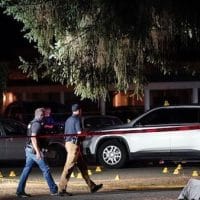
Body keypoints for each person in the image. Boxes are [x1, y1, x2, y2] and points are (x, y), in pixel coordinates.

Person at [58, 103, 103, 196]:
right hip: (73, 146)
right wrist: (87, 133)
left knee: (83, 167)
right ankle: (61, 189)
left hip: (69, 144)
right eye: (81, 110)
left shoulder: (68, 119)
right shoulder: (77, 119)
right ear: (79, 110)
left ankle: (92, 186)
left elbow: (67, 132)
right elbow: (79, 133)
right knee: (69, 167)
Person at [16, 108, 58, 198]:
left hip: (29, 150)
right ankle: (54, 190)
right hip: (34, 151)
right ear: (40, 115)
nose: (45, 117)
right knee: (46, 169)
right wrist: (38, 152)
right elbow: (33, 138)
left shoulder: (31, 123)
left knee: (26, 170)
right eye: (44, 115)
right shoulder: (37, 124)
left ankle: (20, 191)